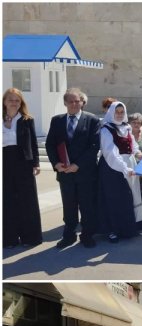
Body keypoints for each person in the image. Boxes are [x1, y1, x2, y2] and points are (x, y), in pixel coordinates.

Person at [45, 87, 102, 248]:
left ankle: (87, 235)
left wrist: (77, 165)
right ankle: (69, 236)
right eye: (71, 101)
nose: (74, 104)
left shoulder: (92, 120)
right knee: (69, 207)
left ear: (82, 102)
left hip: (85, 173)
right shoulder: (57, 120)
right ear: (65, 103)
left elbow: (94, 146)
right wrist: (56, 163)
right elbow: (50, 145)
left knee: (87, 206)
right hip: (65, 174)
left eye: (77, 101)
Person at [98, 102, 142, 243]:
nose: (119, 114)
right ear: (111, 112)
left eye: (121, 111)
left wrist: (138, 153)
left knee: (130, 197)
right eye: (116, 111)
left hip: (128, 166)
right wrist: (125, 168)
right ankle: (113, 230)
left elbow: (133, 145)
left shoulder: (126, 127)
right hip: (113, 169)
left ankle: (129, 227)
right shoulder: (106, 129)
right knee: (115, 199)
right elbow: (110, 153)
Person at [2, 88, 42, 248]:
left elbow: (33, 143)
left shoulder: (26, 120)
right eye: (11, 99)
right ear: (4, 102)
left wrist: (36, 163)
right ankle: (9, 238)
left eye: (17, 100)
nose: (14, 102)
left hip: (23, 162)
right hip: (3, 161)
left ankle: (30, 237)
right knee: (6, 200)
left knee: (27, 200)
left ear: (21, 103)